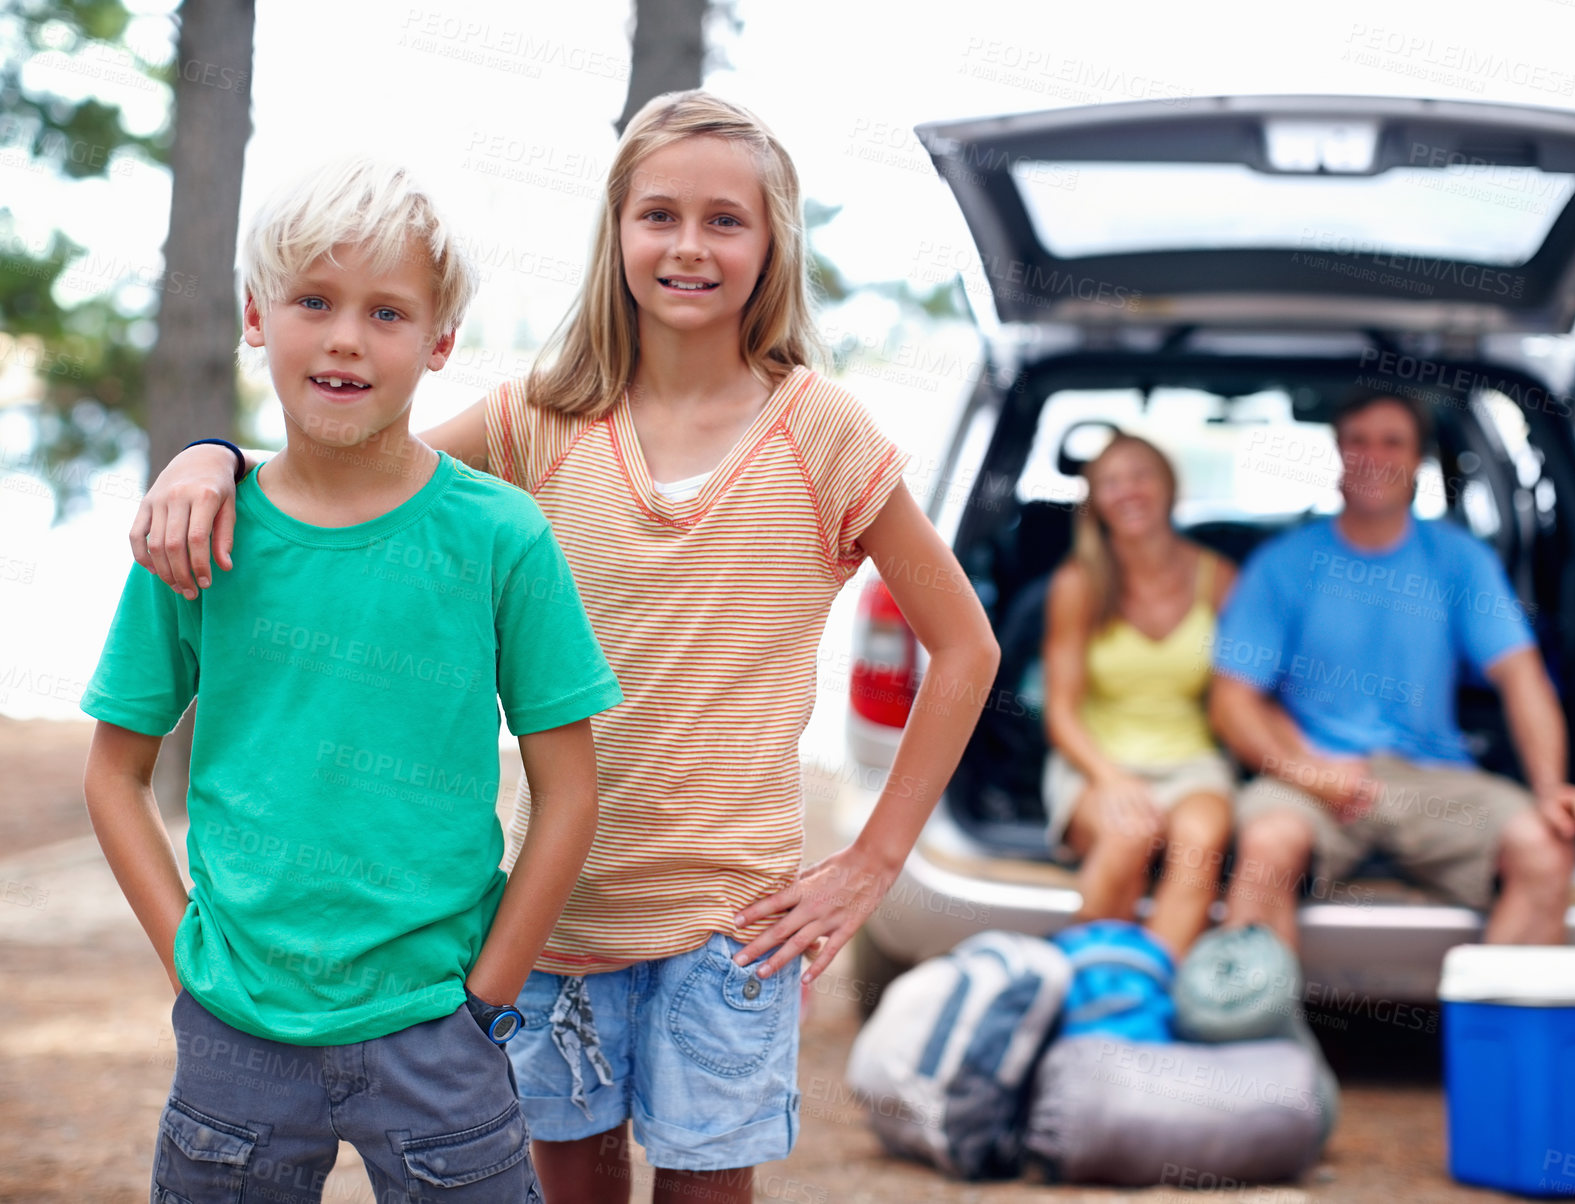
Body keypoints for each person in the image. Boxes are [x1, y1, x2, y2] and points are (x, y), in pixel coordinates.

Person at [126, 93, 999, 1204]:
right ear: (617, 231)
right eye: (659, 215)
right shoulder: (540, 415)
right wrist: (209, 455)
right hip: (552, 920)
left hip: (731, 927)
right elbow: (343, 483)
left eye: (725, 220)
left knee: (703, 1194)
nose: (689, 245)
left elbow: (964, 649)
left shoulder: (822, 432)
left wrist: (871, 864)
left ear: (772, 242)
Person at [83, 159, 622, 1202]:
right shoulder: (200, 531)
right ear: (255, 314)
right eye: (314, 301)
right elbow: (114, 776)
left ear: (440, 341)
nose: (344, 338)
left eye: (386, 312)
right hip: (233, 1038)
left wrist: (488, 995)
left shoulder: (501, 536)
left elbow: (570, 791)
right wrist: (188, 964)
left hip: (439, 1036)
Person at [1210, 388, 1575, 950]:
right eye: (1358, 441)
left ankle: (1498, 1034)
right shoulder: (1284, 563)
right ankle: (1254, 1027)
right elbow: (1232, 701)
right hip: (1313, 776)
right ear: (1338, 452)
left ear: (1418, 458)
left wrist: (1550, 788)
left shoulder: (1461, 560)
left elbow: (1522, 679)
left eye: (1392, 442)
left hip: (1433, 779)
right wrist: (1309, 773)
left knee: (1545, 846)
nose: (1374, 456)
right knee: (1268, 842)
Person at [1041, 434, 1237, 957]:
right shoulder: (1078, 583)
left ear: (1170, 487)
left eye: (1140, 476)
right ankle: (1086, 992)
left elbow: (1241, 697)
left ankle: (1145, 998)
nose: (1128, 491)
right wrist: (1113, 779)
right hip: (1095, 762)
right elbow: (1060, 711)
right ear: (1096, 503)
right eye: (1110, 482)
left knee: (1200, 846)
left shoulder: (1217, 578)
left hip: (1191, 762)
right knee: (1129, 834)